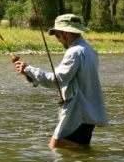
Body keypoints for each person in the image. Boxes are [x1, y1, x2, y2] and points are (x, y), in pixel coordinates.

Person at [14, 13, 107, 149]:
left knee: (55, 148)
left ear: (67, 34)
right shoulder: (89, 49)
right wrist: (30, 74)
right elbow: (74, 81)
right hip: (88, 113)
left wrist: (29, 69)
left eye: (57, 35)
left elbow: (56, 81)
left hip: (78, 114)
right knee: (80, 152)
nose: (58, 39)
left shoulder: (74, 52)